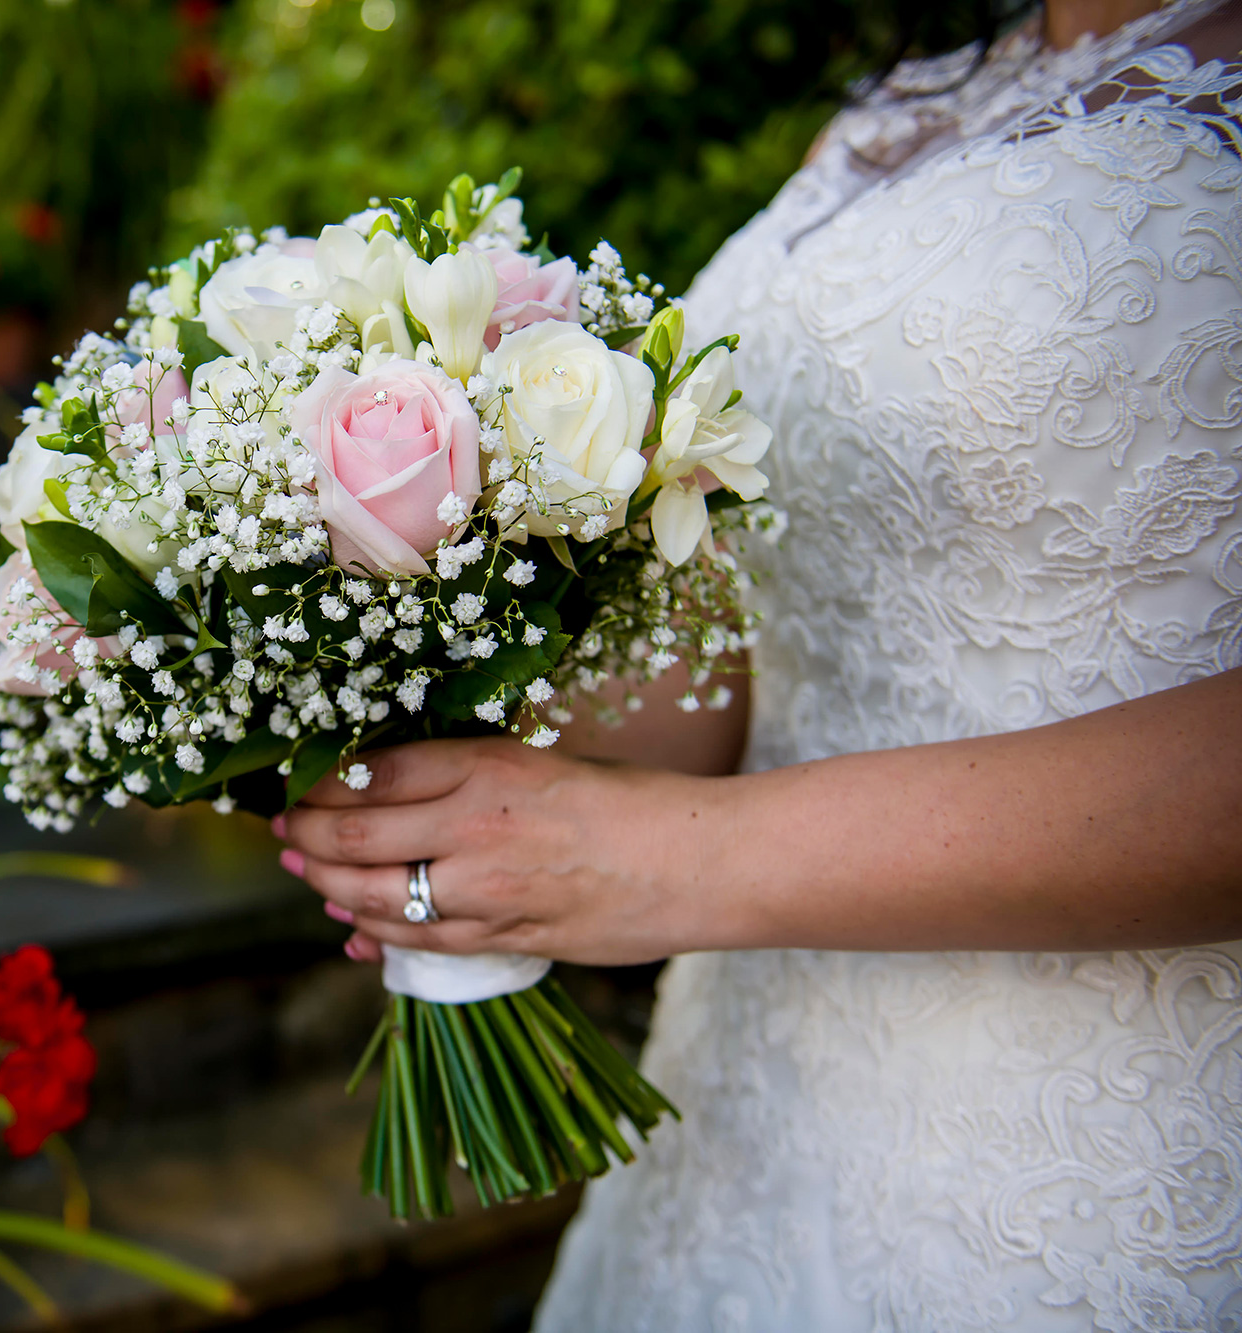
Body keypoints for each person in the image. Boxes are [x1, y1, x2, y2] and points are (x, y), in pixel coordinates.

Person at [270, 0, 1242, 1327]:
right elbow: (777, 651)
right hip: (743, 1125)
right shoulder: (911, 105)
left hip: (1095, 1177)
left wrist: (658, 857)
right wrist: (430, 714)